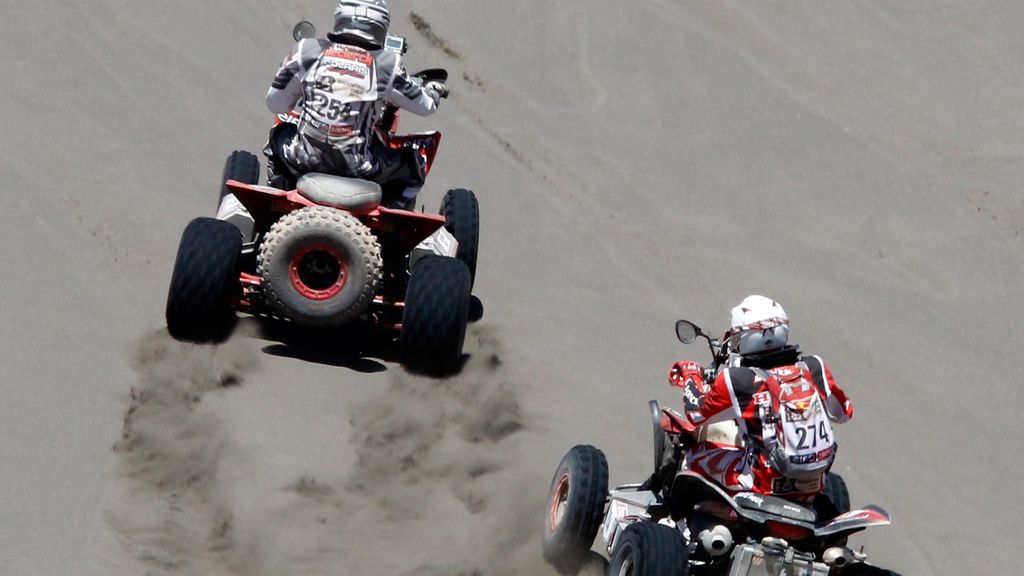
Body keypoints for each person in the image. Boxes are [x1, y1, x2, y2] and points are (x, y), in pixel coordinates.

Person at [667, 295, 854, 504]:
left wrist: (691, 375)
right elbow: (844, 413)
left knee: (693, 456)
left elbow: (695, 413)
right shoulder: (813, 367)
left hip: (762, 484)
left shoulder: (738, 379)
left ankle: (690, 525)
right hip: (814, 482)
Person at [265, 0, 447, 208]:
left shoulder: (307, 49)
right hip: (357, 167)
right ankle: (395, 216)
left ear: (340, 18)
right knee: (414, 163)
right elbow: (425, 106)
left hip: (301, 158)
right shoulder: (387, 63)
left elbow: (275, 104)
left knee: (280, 131)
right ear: (380, 27)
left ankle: (277, 190)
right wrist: (434, 90)